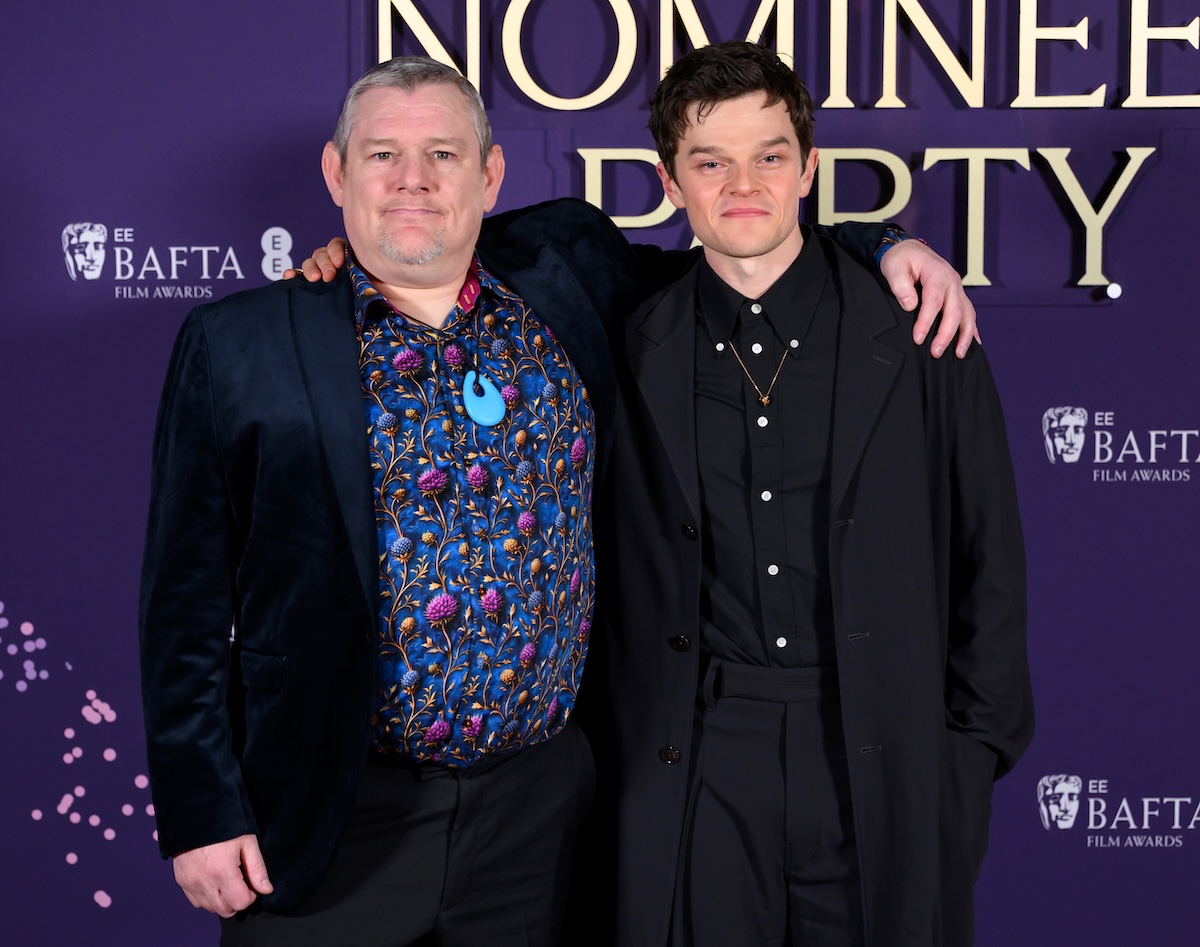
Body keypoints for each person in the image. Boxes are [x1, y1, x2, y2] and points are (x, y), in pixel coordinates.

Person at [141, 56, 976, 947]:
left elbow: (743, 250)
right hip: (336, 810)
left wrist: (880, 244)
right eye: (383, 155)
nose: (414, 180)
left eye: (444, 155)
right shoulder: (241, 346)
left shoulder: (566, 273)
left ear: (491, 174)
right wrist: (200, 810)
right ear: (336, 173)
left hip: (539, 821)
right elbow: (184, 604)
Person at [587, 41, 1032, 946]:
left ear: (809, 168)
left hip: (881, 747)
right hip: (701, 752)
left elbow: (991, 562)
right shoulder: (626, 338)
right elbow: (452, 239)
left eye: (770, 156)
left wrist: (963, 764)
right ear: (671, 182)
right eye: (711, 161)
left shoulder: (919, 332)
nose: (742, 184)